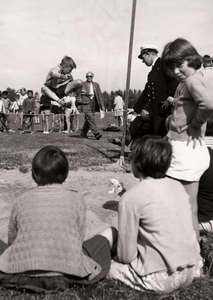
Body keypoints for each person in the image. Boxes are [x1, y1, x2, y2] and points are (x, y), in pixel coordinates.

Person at [0, 145, 117, 292]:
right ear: (65, 173)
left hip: (20, 273)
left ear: (34, 174)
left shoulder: (21, 200)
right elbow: (78, 240)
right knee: (107, 236)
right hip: (68, 272)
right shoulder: (77, 199)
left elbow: (13, 241)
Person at [108, 135, 202, 293]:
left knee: (106, 266)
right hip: (193, 269)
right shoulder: (178, 187)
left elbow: (126, 256)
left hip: (161, 279)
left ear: (137, 164)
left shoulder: (131, 197)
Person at [161, 38, 213, 240]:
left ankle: (192, 250)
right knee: (186, 204)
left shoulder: (192, 81)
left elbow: (208, 104)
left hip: (185, 150)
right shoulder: (193, 79)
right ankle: (191, 247)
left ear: (191, 59)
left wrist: (195, 124)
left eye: (179, 65)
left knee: (186, 206)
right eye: (171, 68)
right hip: (186, 148)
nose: (175, 72)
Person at [132, 45, 179, 136]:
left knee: (159, 137)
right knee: (144, 130)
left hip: (162, 111)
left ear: (148, 54)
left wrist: (169, 98)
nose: (143, 61)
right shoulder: (153, 71)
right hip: (154, 111)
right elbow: (146, 93)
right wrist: (136, 110)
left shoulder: (163, 64)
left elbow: (175, 80)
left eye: (143, 58)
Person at [80, 72, 105, 140]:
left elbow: (100, 96)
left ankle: (83, 133)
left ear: (92, 77)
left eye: (90, 76)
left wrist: (102, 106)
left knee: (89, 119)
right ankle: (96, 133)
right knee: (90, 118)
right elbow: (81, 93)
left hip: (93, 103)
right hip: (85, 103)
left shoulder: (96, 85)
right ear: (86, 77)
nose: (89, 77)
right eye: (87, 76)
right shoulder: (82, 84)